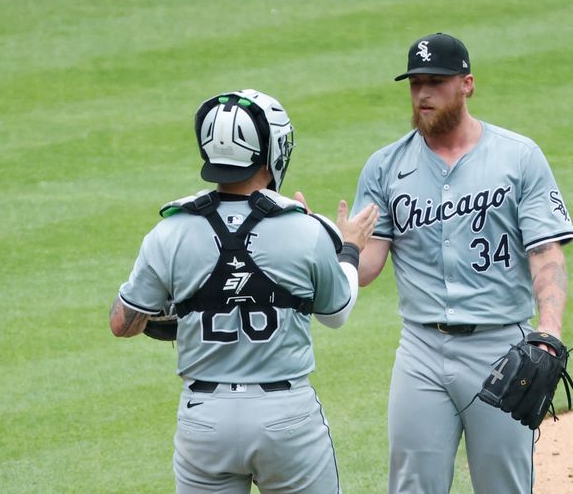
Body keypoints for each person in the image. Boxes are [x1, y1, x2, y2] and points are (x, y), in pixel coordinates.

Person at [109, 89, 378, 494]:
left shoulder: (169, 232)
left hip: (205, 420)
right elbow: (335, 313)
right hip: (286, 420)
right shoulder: (304, 230)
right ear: (273, 153)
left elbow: (123, 323)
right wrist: (349, 247)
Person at [351, 33, 573, 493]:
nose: (423, 94)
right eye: (415, 83)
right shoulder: (385, 166)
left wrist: (550, 329)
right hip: (420, 353)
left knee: (504, 486)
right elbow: (368, 267)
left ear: (467, 84)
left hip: (500, 349)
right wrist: (338, 248)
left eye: (435, 82)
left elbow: (545, 251)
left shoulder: (519, 157)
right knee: (413, 485)